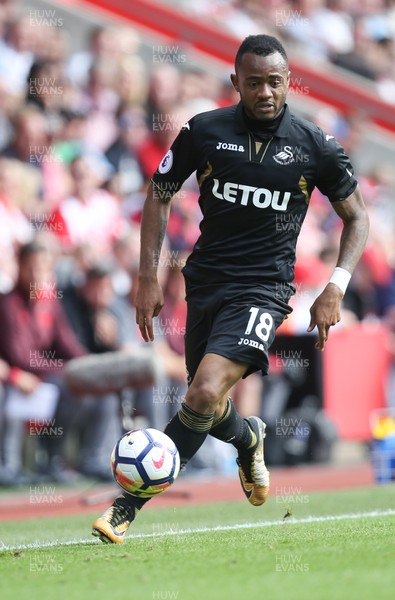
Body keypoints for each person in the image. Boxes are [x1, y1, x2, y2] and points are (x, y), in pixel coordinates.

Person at [92, 34, 369, 543]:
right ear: (236, 83)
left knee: (200, 390)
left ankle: (125, 507)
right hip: (205, 282)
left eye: (275, 82)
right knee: (209, 405)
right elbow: (158, 195)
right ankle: (248, 439)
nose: (265, 92)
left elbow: (356, 218)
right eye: (255, 82)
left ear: (289, 82)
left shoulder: (314, 145)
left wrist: (336, 286)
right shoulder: (205, 130)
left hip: (263, 290)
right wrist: (148, 276)